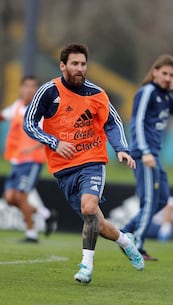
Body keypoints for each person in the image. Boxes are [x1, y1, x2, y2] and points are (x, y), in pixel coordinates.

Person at [23, 43, 144, 284]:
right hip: (63, 168)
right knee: (97, 223)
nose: (80, 68)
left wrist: (121, 149)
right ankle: (126, 241)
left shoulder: (97, 94)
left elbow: (113, 123)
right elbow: (29, 123)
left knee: (89, 208)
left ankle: (86, 266)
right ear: (62, 66)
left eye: (83, 64)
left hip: (92, 160)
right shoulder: (48, 92)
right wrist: (54, 142)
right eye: (75, 64)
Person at [122, 54, 173, 261]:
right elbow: (137, 122)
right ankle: (136, 246)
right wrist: (144, 152)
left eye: (172, 75)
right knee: (150, 201)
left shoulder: (167, 95)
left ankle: (124, 231)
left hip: (155, 155)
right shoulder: (148, 91)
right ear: (155, 73)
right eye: (165, 73)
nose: (168, 78)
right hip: (145, 154)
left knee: (161, 199)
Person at [0, 75, 57, 243]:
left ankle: (31, 234)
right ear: (21, 88)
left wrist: (34, 147)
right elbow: (3, 116)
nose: (29, 90)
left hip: (33, 159)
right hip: (17, 160)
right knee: (10, 198)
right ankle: (46, 214)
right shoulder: (16, 107)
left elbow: (50, 135)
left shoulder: (41, 110)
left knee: (21, 195)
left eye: (33, 86)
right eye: (26, 86)